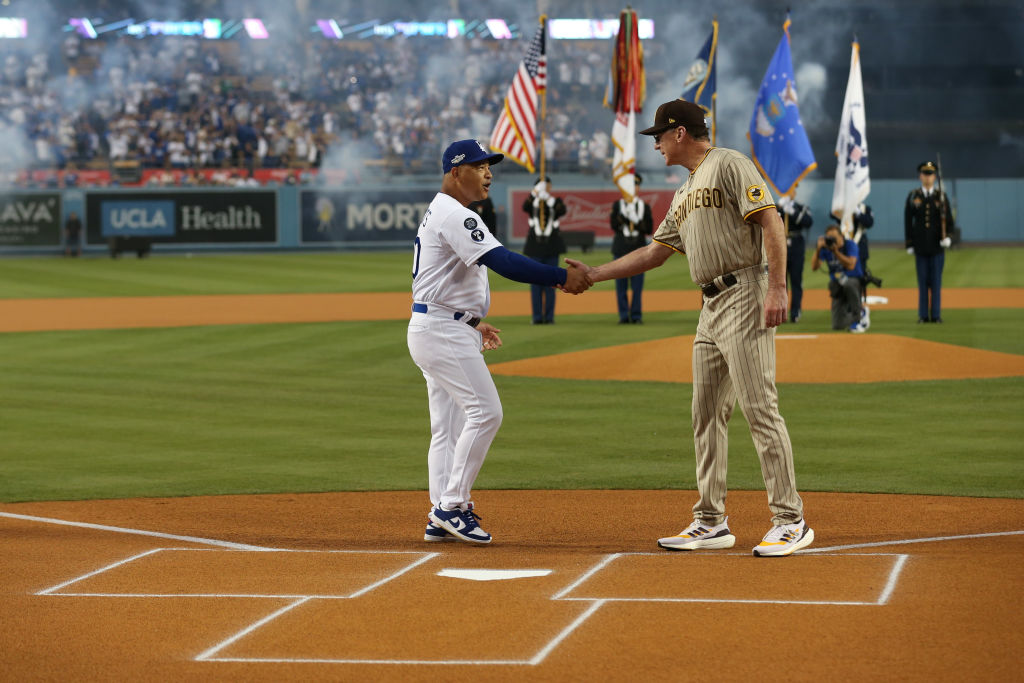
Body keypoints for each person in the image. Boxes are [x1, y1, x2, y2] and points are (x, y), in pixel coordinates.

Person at [568, 99, 813, 557]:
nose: (656, 143)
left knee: (760, 408)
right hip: (710, 307)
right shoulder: (685, 191)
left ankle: (789, 519)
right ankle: (710, 520)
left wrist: (778, 289)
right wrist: (595, 274)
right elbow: (655, 253)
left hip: (745, 292)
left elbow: (771, 222)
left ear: (680, 133)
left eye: (659, 134)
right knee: (705, 414)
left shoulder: (729, 164)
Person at [408, 139, 590, 545]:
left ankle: (440, 513)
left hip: (438, 326)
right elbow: (503, 261)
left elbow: (441, 283)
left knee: (447, 429)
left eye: (490, 166)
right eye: (479, 165)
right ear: (456, 172)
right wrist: (561, 278)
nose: (488, 172)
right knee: (486, 413)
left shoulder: (442, 211)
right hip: (442, 331)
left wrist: (472, 322)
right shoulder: (456, 215)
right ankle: (451, 506)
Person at [905, 161, 954, 323]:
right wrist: (909, 243)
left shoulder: (941, 196)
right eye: (925, 174)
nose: (928, 177)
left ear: (935, 177)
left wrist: (948, 238)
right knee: (923, 283)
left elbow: (949, 221)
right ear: (920, 176)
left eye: (931, 174)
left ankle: (937, 315)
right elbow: (908, 221)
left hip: (936, 247)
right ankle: (923, 315)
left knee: (936, 282)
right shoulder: (914, 196)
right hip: (920, 246)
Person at [522, 176, 567, 324]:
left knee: (551, 284)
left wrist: (548, 200)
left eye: (547, 186)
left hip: (551, 247)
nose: (546, 189)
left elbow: (562, 210)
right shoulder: (532, 202)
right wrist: (535, 193)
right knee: (535, 285)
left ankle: (549, 317)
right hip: (535, 248)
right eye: (542, 186)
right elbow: (525, 207)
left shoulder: (555, 202)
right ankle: (536, 317)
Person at [609, 173, 654, 323]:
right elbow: (613, 226)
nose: (634, 188)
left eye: (636, 185)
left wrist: (637, 219)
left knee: (637, 286)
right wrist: (623, 217)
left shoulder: (644, 206)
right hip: (621, 248)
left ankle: (636, 315)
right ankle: (623, 315)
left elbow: (649, 228)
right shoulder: (618, 205)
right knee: (621, 286)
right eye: (631, 185)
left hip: (638, 249)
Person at [811, 224, 868, 333]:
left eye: (834, 238)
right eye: (829, 238)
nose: (831, 241)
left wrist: (836, 252)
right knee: (837, 325)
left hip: (854, 281)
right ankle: (860, 313)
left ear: (841, 236)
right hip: (837, 284)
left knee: (848, 284)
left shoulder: (850, 245)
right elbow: (814, 267)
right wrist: (818, 250)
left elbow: (851, 265)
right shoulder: (826, 249)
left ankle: (858, 319)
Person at [776, 195, 813, 323]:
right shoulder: (776, 207)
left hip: (796, 246)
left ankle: (795, 311)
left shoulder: (800, 207)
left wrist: (792, 211)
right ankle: (782, 312)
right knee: (781, 281)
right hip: (780, 244)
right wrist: (779, 209)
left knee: (796, 280)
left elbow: (808, 222)